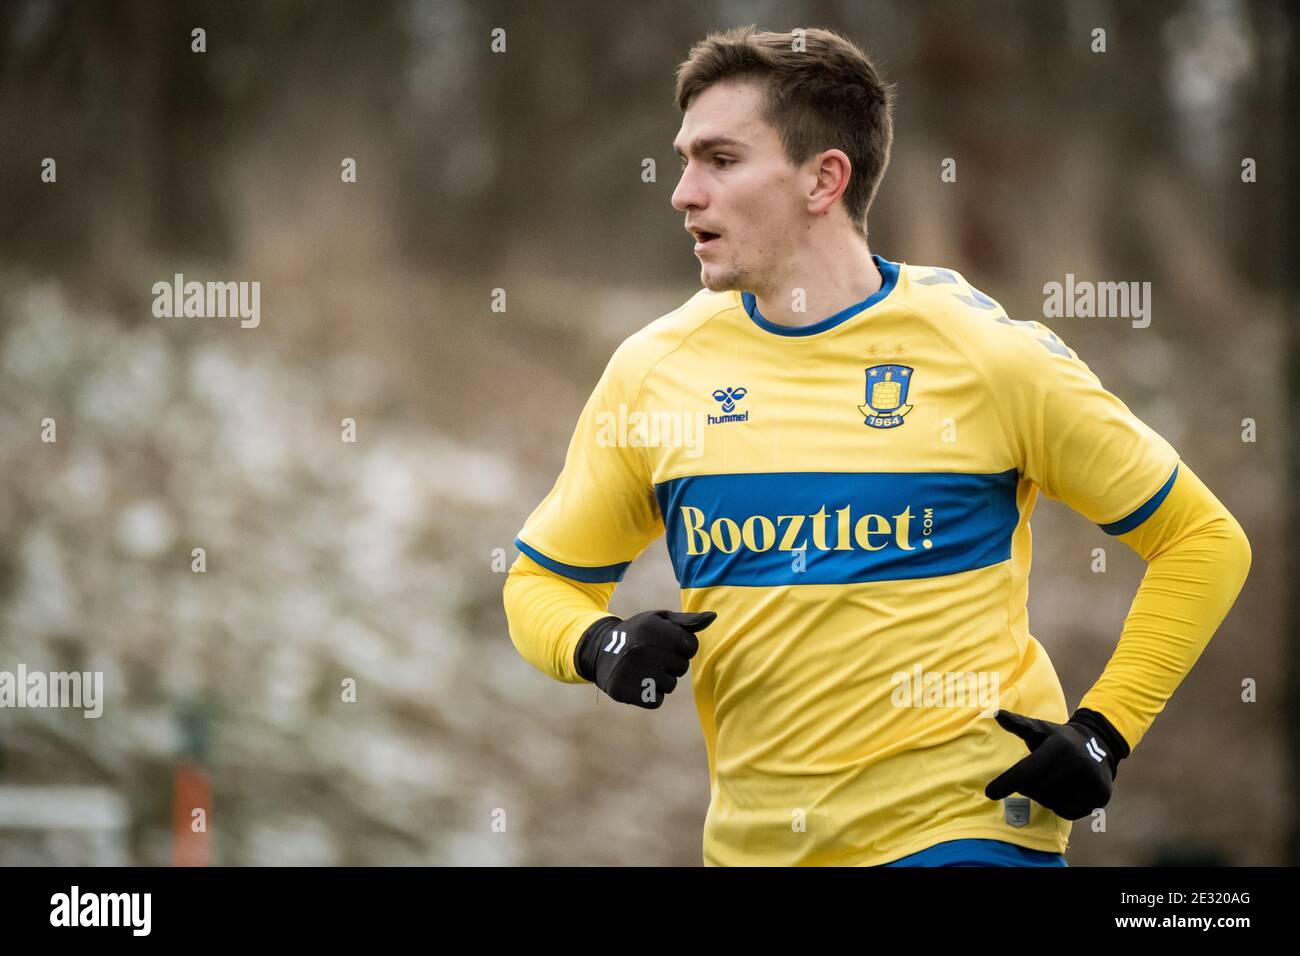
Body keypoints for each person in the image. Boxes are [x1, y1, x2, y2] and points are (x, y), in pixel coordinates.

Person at [502, 25, 1251, 867]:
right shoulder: (654, 373)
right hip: (755, 847)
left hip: (964, 828)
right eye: (683, 160)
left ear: (825, 178)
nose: (682, 192)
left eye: (719, 160)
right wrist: (597, 646)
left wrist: (1105, 731)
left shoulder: (986, 356)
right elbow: (540, 583)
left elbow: (1203, 540)